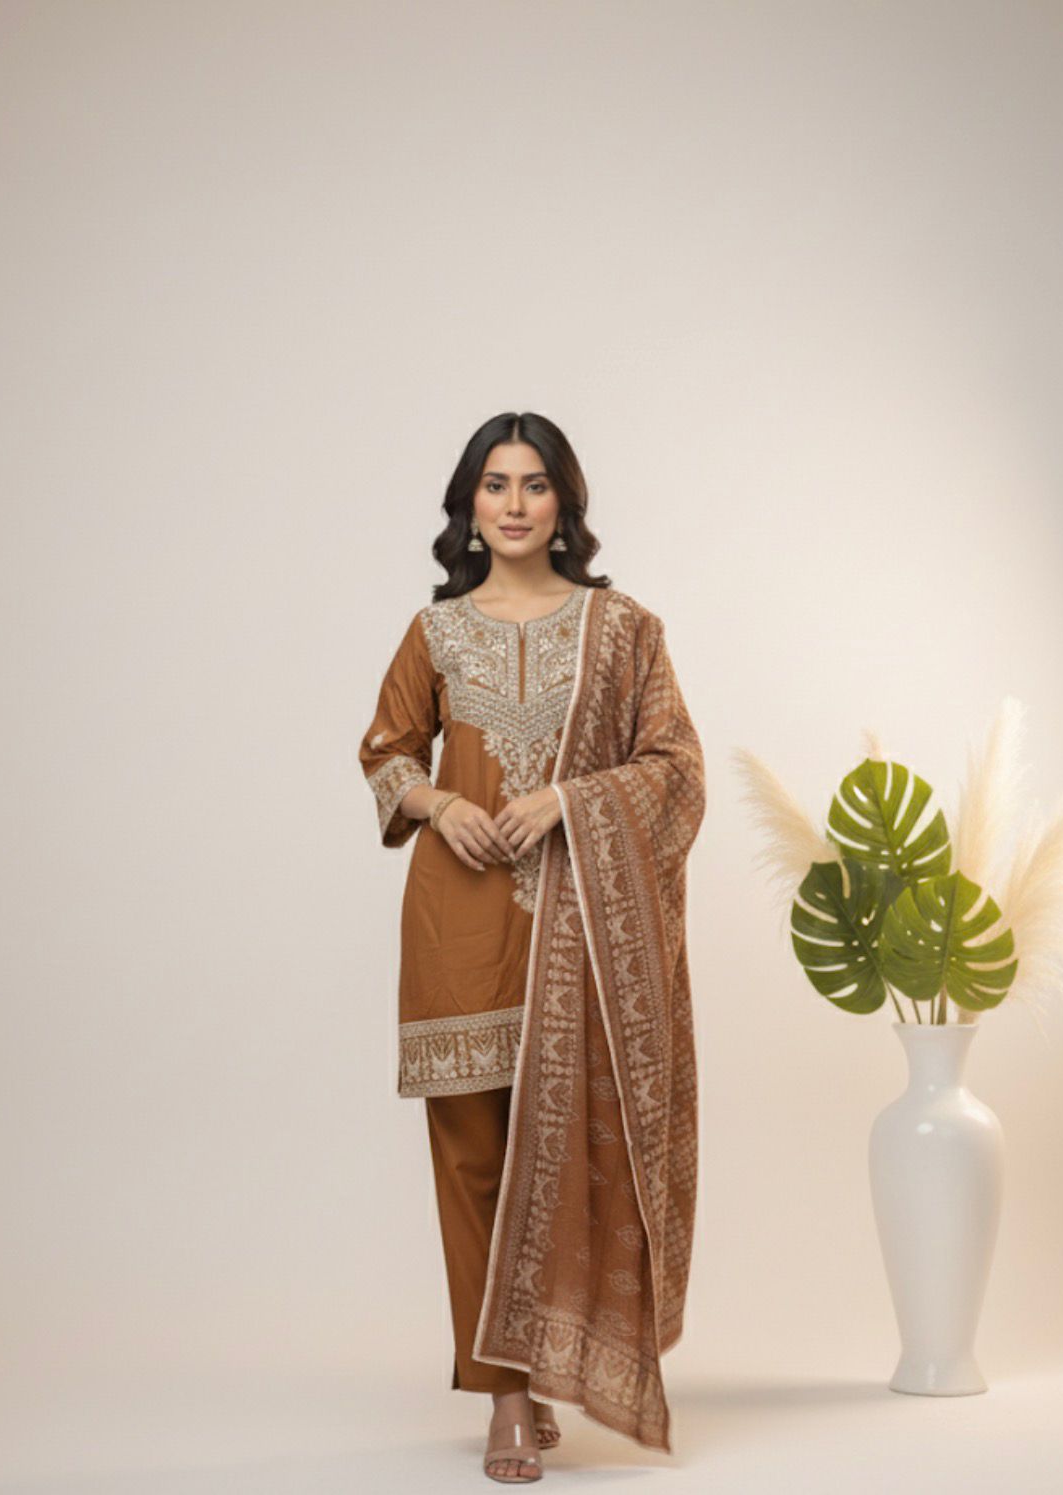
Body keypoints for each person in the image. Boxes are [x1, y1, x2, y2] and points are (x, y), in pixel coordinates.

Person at [359, 412, 705, 1481]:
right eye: (494, 484)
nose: (513, 503)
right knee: (474, 1157)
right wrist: (431, 802)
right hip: (455, 921)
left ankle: (541, 1357)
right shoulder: (436, 632)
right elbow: (382, 749)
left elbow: (677, 768)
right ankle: (504, 1390)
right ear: (470, 504)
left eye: (535, 483)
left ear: (567, 502)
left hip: (580, 931)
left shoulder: (625, 628)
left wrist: (568, 798)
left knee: (555, 1155)